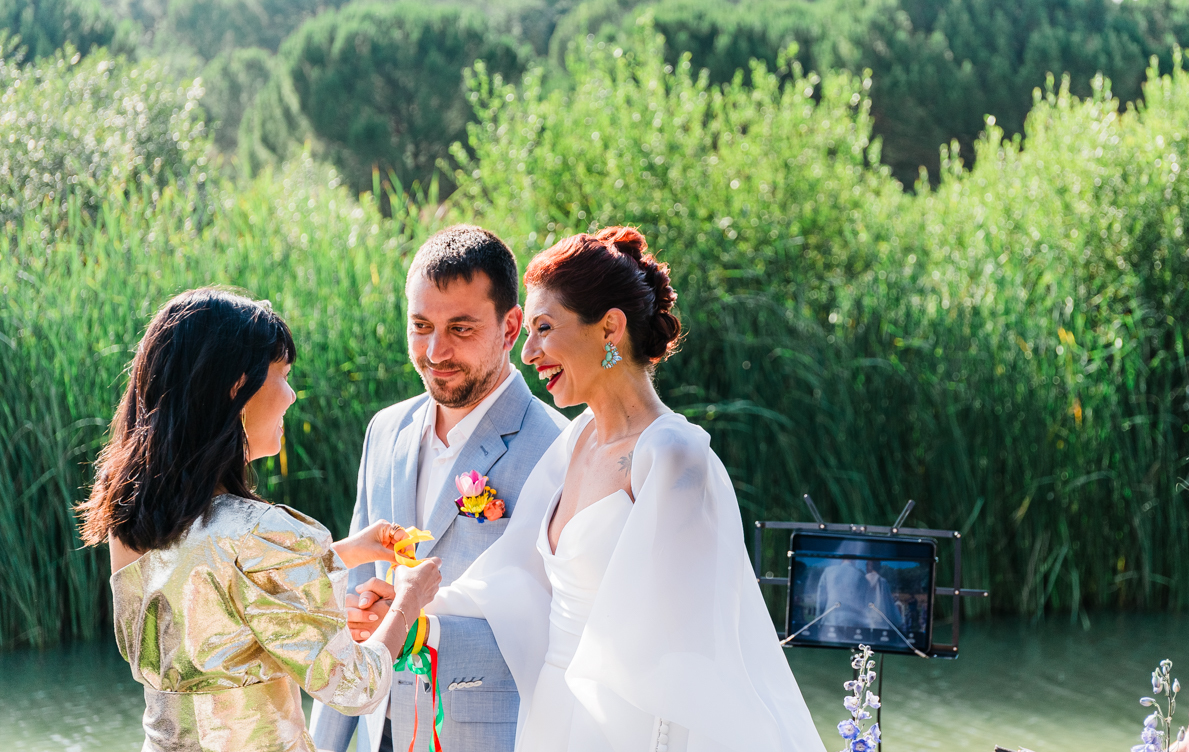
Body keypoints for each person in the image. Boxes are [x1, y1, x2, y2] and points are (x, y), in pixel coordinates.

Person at [367, 227, 826, 751]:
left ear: (609, 327)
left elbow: (684, 645)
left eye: (544, 328)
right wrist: (413, 611)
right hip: (551, 716)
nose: (529, 351)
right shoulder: (576, 440)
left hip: (625, 725)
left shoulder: (673, 455)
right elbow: (515, 577)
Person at [77, 288, 442, 752]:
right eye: (283, 376)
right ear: (236, 387)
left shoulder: (130, 516)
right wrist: (408, 601)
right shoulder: (260, 531)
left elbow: (207, 585)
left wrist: (346, 552)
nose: (291, 396)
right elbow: (355, 687)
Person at [310, 226, 568, 752]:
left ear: (510, 327)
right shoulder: (385, 430)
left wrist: (418, 630)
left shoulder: (558, 448)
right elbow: (352, 597)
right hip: (376, 723)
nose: (435, 350)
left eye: (461, 329)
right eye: (421, 325)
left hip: (490, 737)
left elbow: (558, 633)